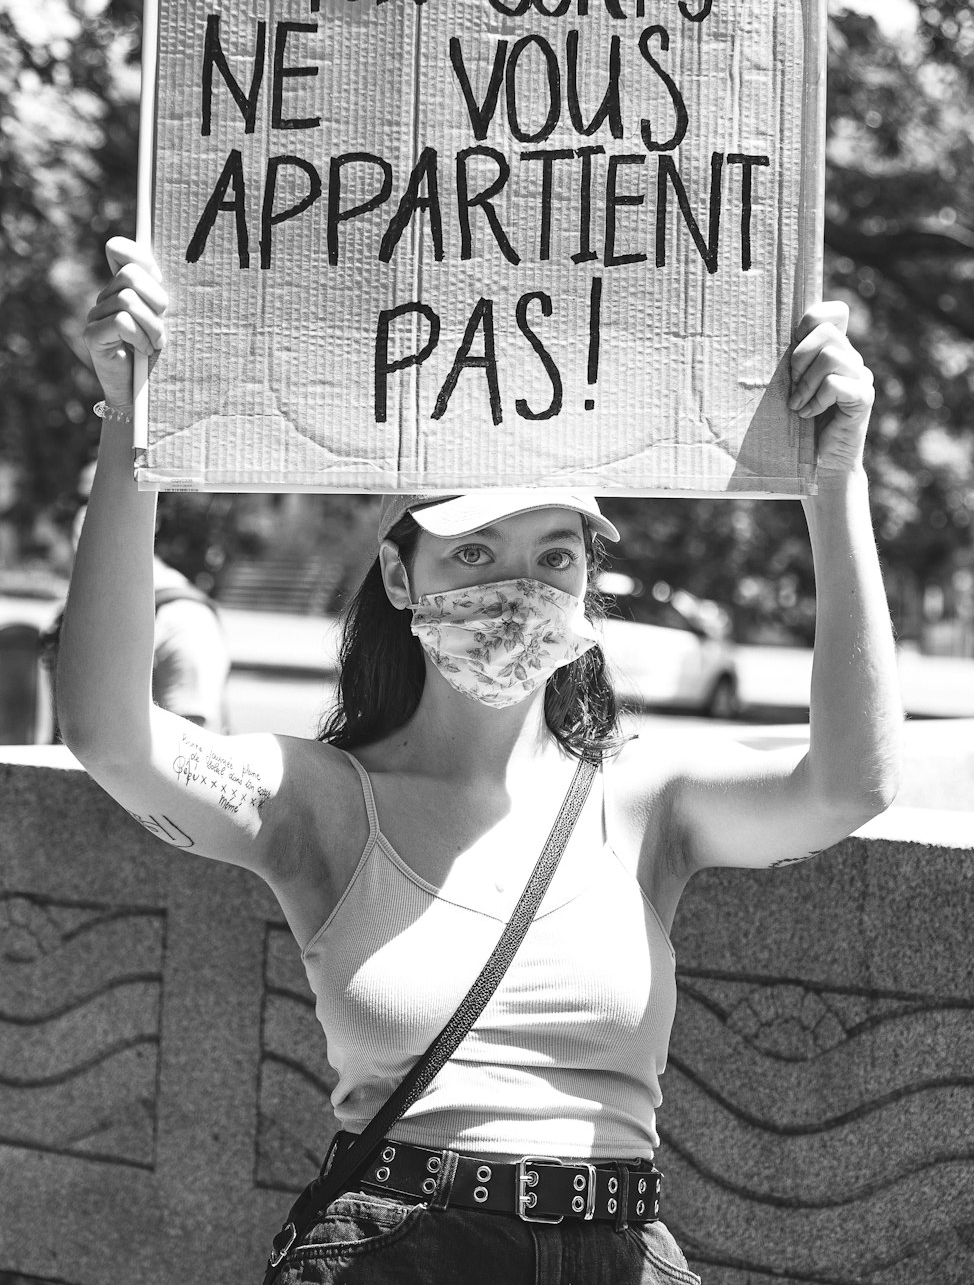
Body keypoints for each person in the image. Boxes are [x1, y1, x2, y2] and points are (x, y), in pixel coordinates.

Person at [56, 237, 902, 1285]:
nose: (518, 587)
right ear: (400, 581)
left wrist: (835, 481)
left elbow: (851, 782)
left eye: (554, 556)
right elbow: (110, 737)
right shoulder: (323, 803)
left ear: (590, 581)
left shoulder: (647, 803)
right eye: (472, 553)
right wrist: (132, 429)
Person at [40, 459, 230, 736]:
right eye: (80, 502)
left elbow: (192, 750)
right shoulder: (75, 608)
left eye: (109, 500)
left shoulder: (184, 619)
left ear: (153, 519)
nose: (86, 515)